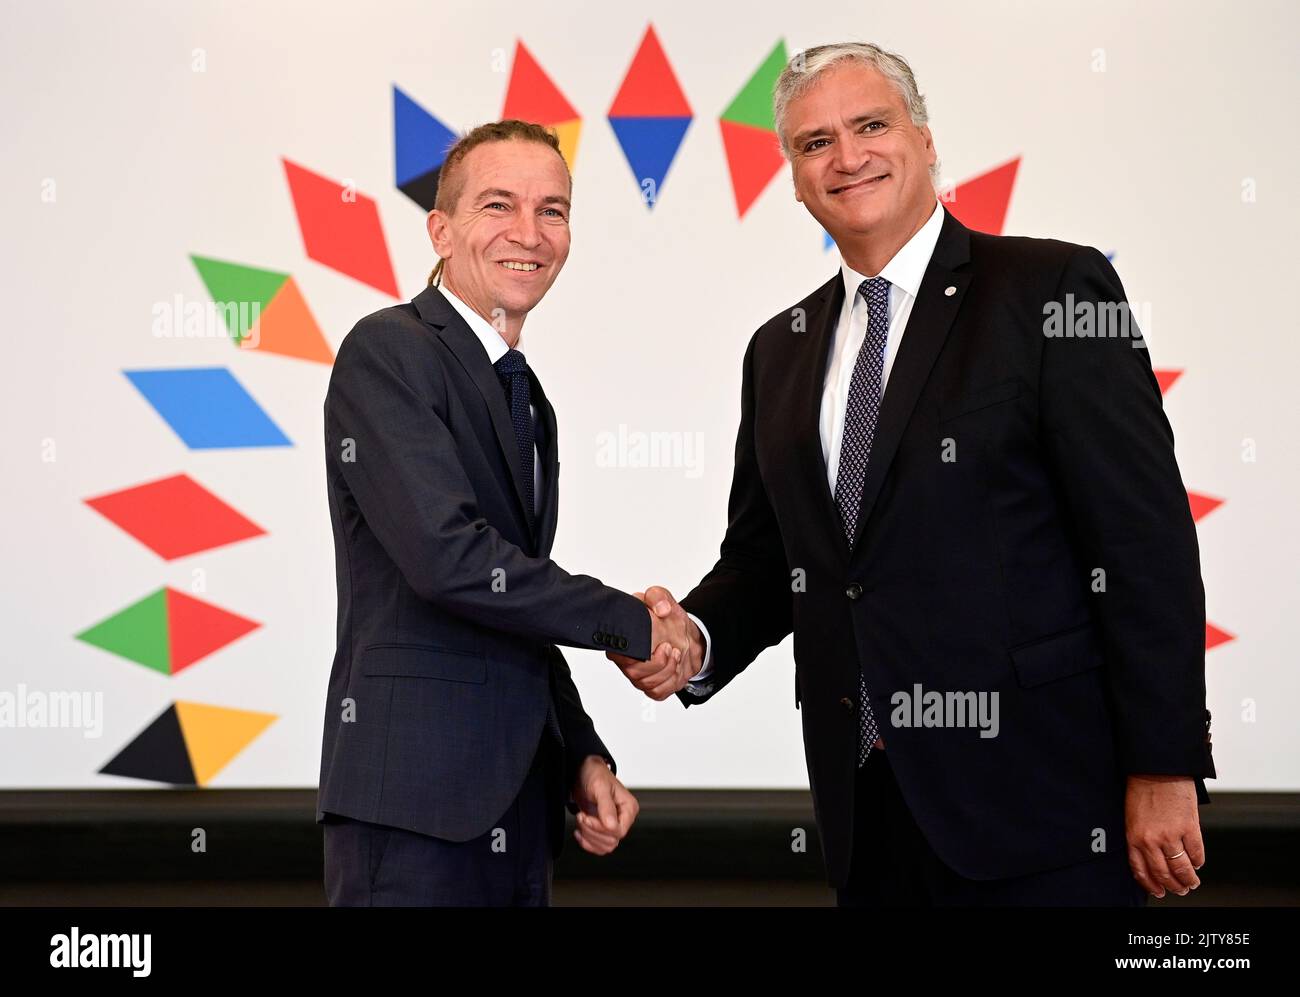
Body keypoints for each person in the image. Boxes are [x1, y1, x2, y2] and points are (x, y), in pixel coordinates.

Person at [610, 43, 1216, 906]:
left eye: (870, 125)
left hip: (1048, 809)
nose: (846, 156)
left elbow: (1143, 541)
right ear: (792, 175)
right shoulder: (776, 350)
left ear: (926, 141)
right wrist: (691, 640)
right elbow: (769, 560)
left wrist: (1164, 763)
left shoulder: (1050, 287)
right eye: (814, 142)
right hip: (869, 814)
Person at [317, 120, 691, 906]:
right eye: (499, 205)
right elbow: (452, 560)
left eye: (552, 210)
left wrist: (583, 753)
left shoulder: (531, 401)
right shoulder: (389, 350)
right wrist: (632, 620)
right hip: (416, 811)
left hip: (518, 813)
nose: (530, 232)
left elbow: (509, 601)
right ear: (441, 230)